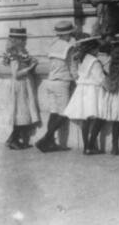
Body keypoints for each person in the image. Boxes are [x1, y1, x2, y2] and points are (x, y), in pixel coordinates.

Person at [36, 20, 76, 153]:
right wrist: (78, 79)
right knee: (65, 113)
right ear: (68, 33)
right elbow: (72, 67)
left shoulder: (52, 45)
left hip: (50, 81)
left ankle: (51, 142)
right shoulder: (69, 47)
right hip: (62, 82)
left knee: (54, 112)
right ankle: (46, 139)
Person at [64, 36, 107, 155]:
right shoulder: (95, 61)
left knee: (86, 119)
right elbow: (100, 79)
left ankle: (86, 147)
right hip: (94, 91)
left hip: (83, 90)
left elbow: (76, 74)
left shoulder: (81, 59)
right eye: (97, 49)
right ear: (93, 49)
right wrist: (110, 88)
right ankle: (92, 145)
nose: (98, 51)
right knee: (100, 117)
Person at [3, 28, 40, 150]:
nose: (25, 41)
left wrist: (30, 62)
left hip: (24, 84)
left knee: (24, 112)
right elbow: (16, 74)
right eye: (23, 39)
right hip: (19, 85)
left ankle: (14, 139)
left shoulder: (21, 52)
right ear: (17, 40)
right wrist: (31, 67)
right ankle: (13, 139)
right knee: (20, 112)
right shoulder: (14, 54)